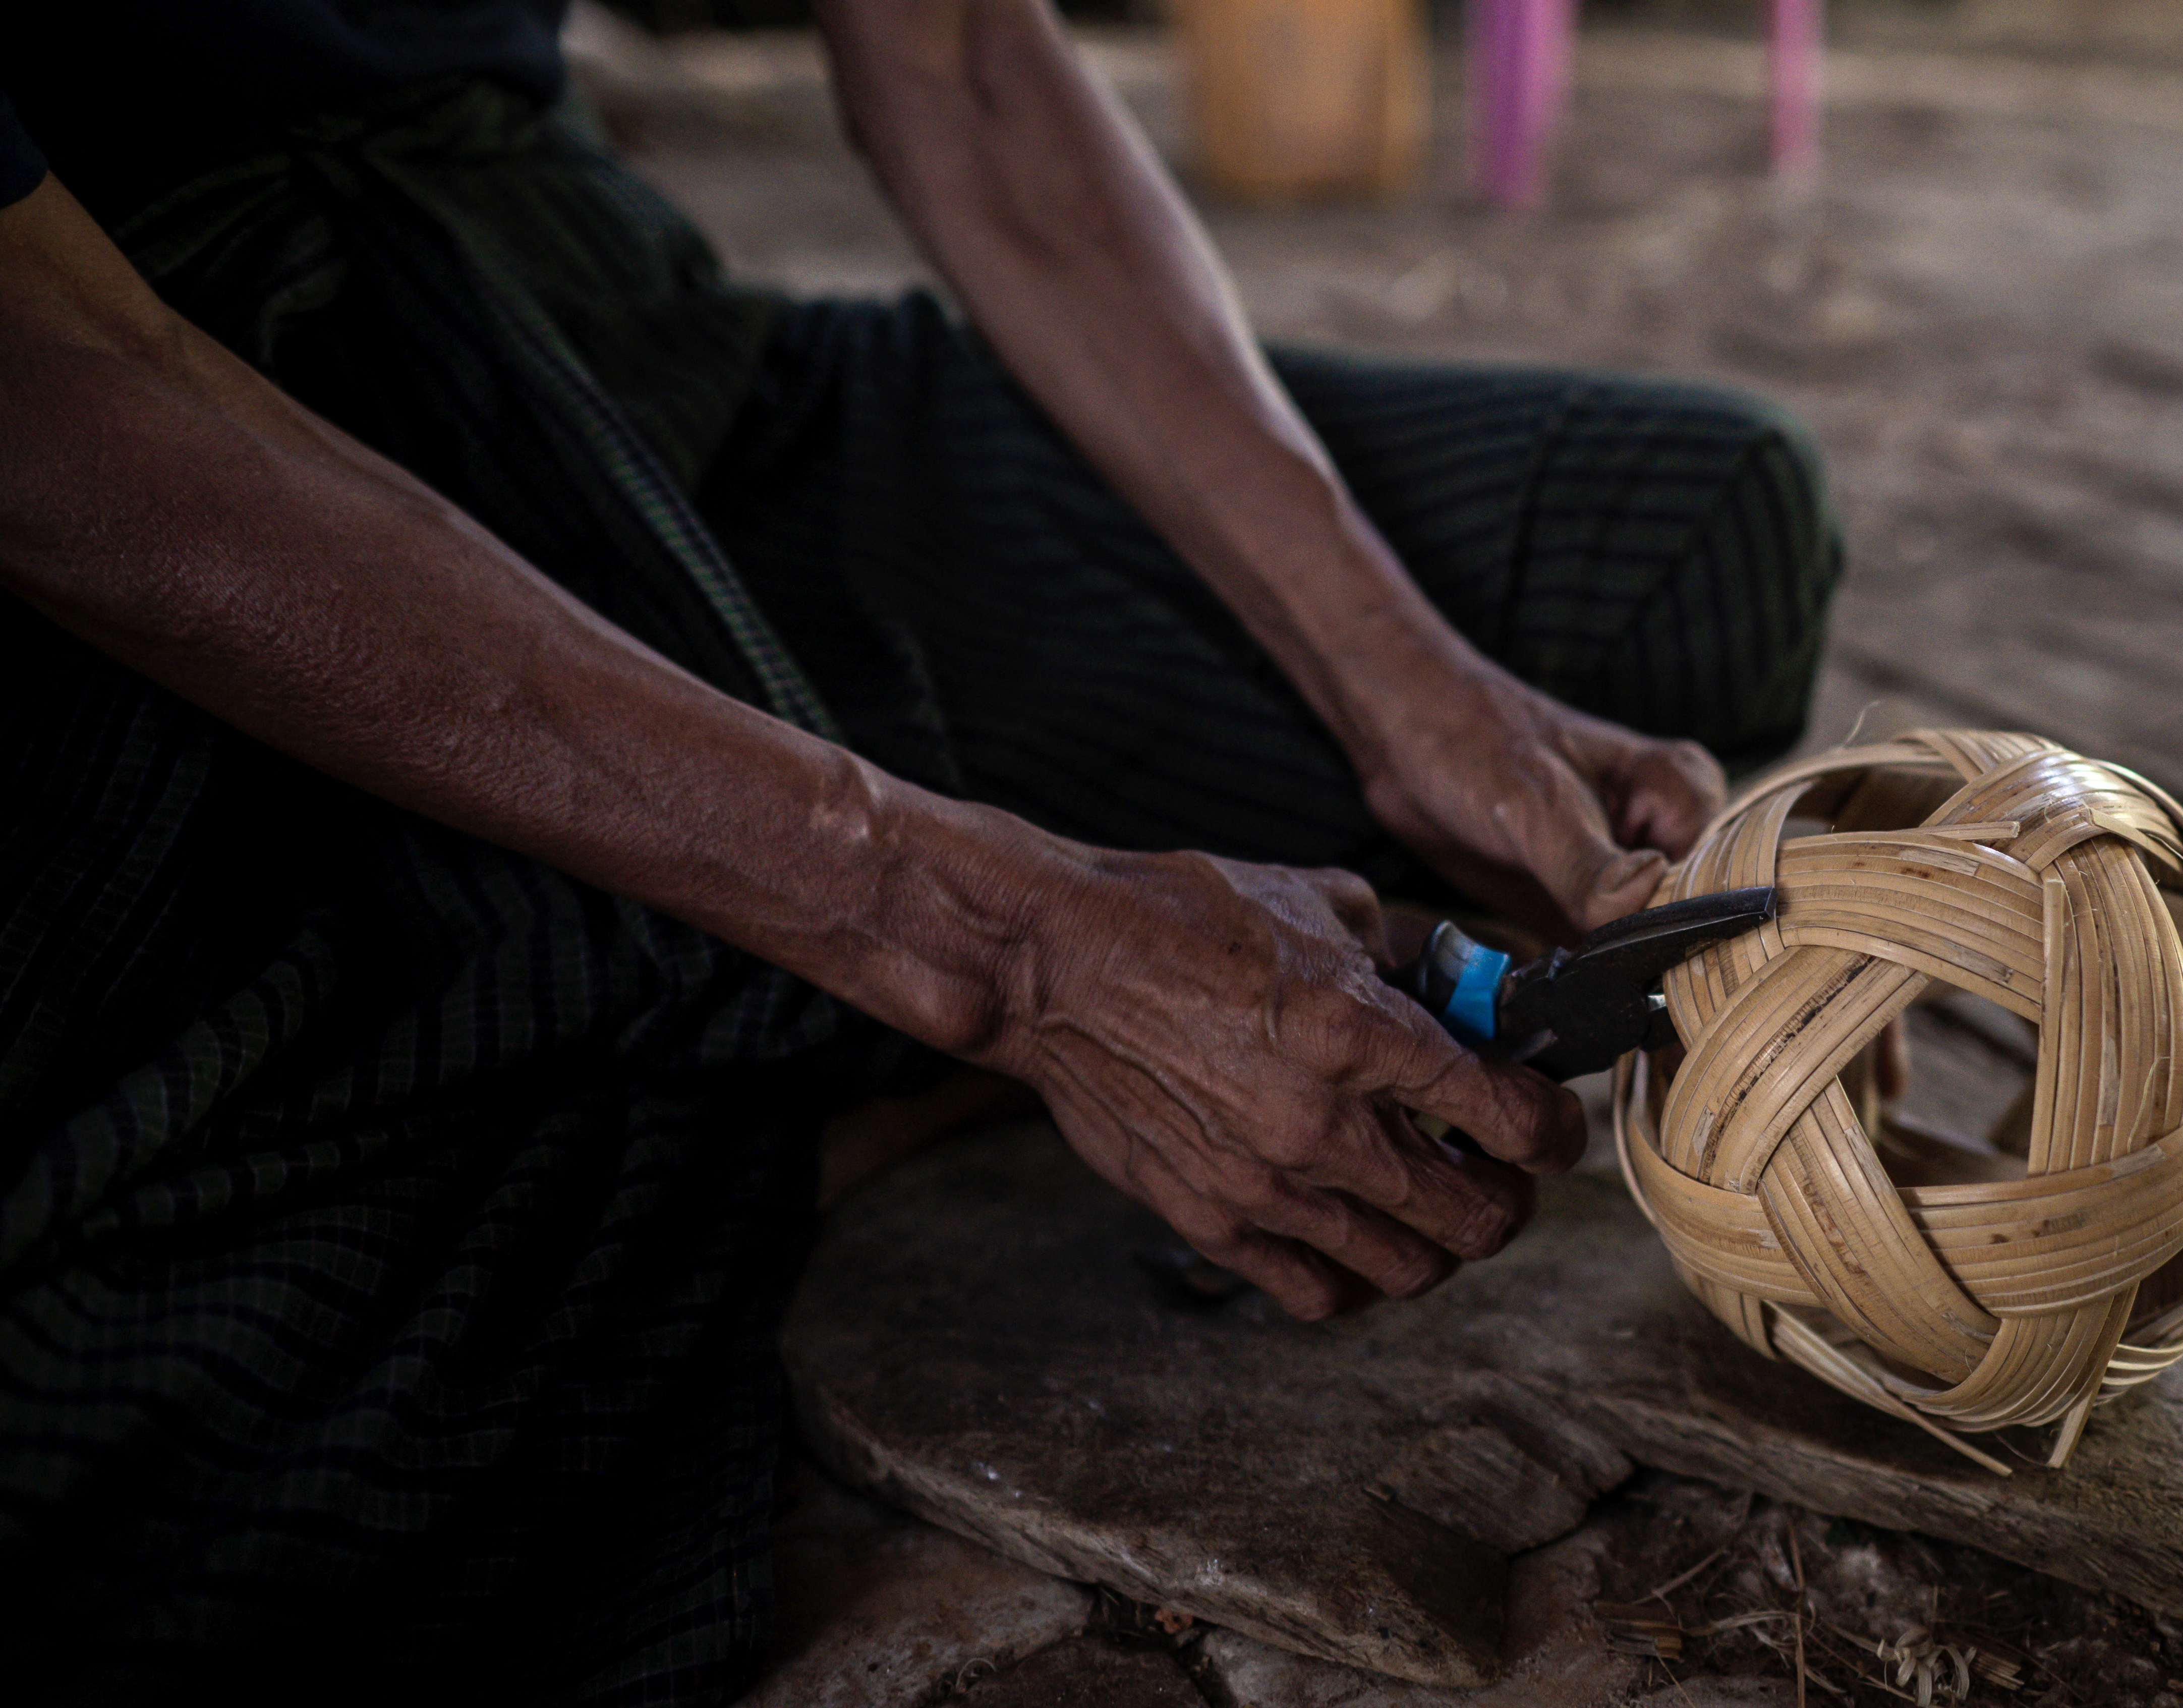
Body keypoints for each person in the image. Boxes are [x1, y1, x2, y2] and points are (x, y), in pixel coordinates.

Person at [0, 1, 1841, 1700]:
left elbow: (955, 48)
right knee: (245, 1478)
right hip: (193, 475)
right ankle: (818, 994)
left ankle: (757, 981)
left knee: (1696, 541)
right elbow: (50, 393)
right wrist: (1004, 945)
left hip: (590, 329)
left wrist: (1412, 688)